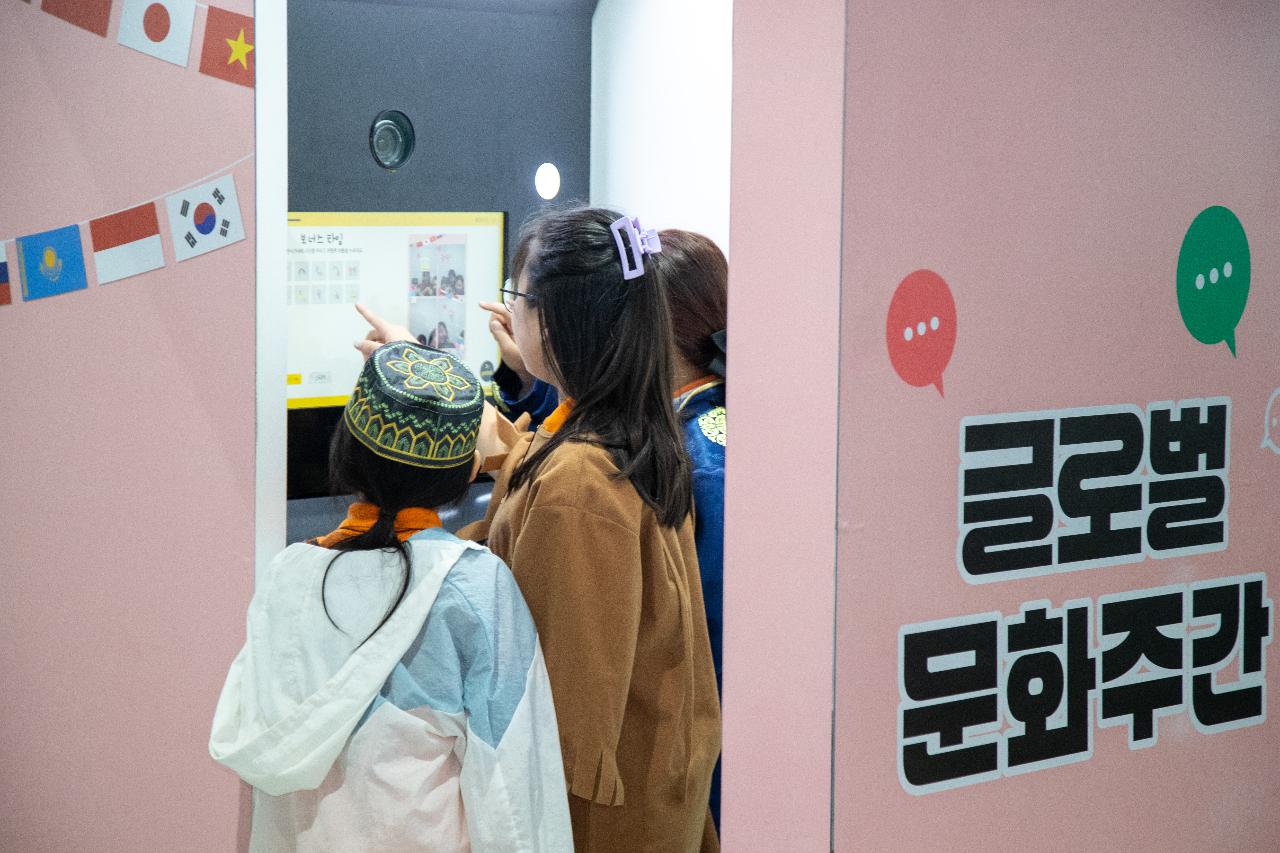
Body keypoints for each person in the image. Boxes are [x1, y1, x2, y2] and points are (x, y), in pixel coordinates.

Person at [359, 209, 721, 852]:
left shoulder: (580, 485)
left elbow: (561, 723)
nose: (509, 311)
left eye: (516, 296)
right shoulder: (621, 434)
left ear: (550, 322)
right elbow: (519, 459)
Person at [210, 342, 572, 853]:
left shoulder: (287, 576)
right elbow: (513, 783)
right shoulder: (473, 585)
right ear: (467, 471)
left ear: (346, 450)